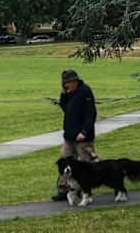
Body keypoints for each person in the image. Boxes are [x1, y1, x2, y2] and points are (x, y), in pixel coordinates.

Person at [51, 69, 100, 201]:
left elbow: (91, 113)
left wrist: (84, 131)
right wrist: (64, 94)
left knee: (89, 161)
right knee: (64, 161)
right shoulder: (69, 93)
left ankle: (93, 185)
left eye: (69, 83)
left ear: (75, 81)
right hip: (69, 135)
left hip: (82, 136)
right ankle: (64, 189)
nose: (67, 86)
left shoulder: (85, 91)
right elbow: (66, 109)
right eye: (65, 84)